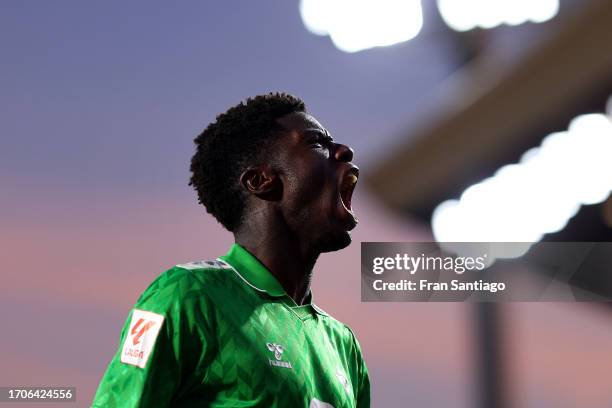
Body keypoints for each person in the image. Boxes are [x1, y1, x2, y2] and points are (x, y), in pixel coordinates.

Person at [91, 92, 370, 407]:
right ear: (260, 180)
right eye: (317, 142)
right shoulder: (189, 295)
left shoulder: (343, 345)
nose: (344, 151)